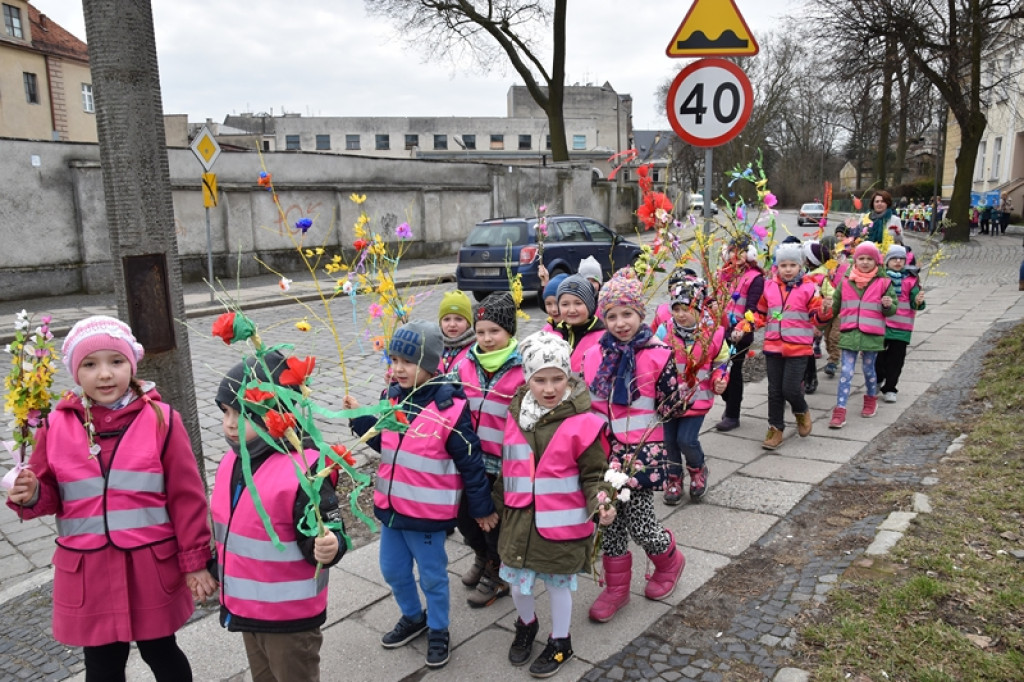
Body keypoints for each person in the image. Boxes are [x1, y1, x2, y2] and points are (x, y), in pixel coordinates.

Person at [6, 315, 215, 681]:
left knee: (161, 652)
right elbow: (50, 493)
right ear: (76, 372)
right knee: (101, 665)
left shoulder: (161, 420)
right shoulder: (55, 426)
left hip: (148, 566)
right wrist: (32, 493)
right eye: (90, 364)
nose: (105, 374)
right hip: (90, 571)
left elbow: (187, 498)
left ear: (131, 365)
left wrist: (195, 560)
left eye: (115, 362)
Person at [344, 320, 497, 669]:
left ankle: (439, 628)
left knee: (432, 577)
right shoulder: (393, 396)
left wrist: (481, 508)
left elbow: (471, 462)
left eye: (407, 362)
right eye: (393, 359)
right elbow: (386, 442)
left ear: (430, 364)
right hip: (391, 509)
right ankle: (413, 617)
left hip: (426, 516)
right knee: (393, 571)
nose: (397, 368)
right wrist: (359, 420)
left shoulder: (451, 410)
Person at [212, 350, 346, 682]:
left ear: (274, 415)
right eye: (226, 412)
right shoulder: (234, 460)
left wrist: (332, 545)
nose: (229, 424)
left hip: (288, 620)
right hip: (247, 608)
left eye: (242, 414)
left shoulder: (305, 471)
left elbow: (330, 530)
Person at [495, 331, 615, 677]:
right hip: (519, 521)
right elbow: (509, 467)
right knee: (518, 583)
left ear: (569, 377)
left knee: (558, 585)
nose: (549, 388)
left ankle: (561, 640)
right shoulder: (515, 415)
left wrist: (602, 503)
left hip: (560, 525)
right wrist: (494, 506)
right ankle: (527, 623)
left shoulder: (583, 423)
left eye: (557, 379)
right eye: (540, 380)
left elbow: (595, 474)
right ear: (527, 379)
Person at [583, 268, 686, 623]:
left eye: (627, 313)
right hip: (606, 454)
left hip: (642, 454)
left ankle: (669, 559)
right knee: (608, 520)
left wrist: (682, 391)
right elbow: (589, 403)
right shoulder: (596, 354)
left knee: (641, 524)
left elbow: (672, 406)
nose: (620, 322)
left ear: (640, 314)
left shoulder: (657, 353)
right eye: (611, 315)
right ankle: (616, 589)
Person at [454, 292, 524, 606]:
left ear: (509, 331)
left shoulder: (522, 367)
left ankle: (497, 573)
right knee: (465, 517)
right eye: (480, 331)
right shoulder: (465, 363)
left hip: (504, 462)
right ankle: (481, 556)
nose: (486, 338)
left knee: (495, 521)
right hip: (470, 458)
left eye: (494, 331)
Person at [654, 276, 728, 503]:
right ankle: (674, 478)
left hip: (696, 398)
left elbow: (721, 362)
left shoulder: (713, 334)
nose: (680, 314)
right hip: (668, 399)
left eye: (686, 308)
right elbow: (651, 357)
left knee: (686, 439)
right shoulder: (664, 332)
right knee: (669, 442)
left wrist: (719, 379)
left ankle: (697, 469)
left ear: (698, 308)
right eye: (675, 308)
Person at [755, 243, 828, 449]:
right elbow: (764, 311)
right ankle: (775, 428)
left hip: (798, 348)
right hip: (773, 346)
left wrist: (824, 311)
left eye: (792, 265)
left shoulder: (809, 288)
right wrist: (752, 322)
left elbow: (816, 315)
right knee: (774, 391)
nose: (787, 269)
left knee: (791, 389)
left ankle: (801, 410)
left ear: (801, 265)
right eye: (783, 265)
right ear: (776, 266)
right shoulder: (769, 286)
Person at [828, 242, 897, 428]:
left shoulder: (884, 283)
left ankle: (871, 398)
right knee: (846, 372)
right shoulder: (845, 282)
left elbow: (891, 310)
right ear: (855, 260)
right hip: (849, 333)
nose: (865, 262)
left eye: (869, 259)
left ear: (876, 262)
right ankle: (840, 410)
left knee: (868, 370)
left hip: (871, 336)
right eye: (861, 258)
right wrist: (821, 317)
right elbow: (834, 307)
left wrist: (888, 305)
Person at [714, 236, 765, 431]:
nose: (737, 255)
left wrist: (742, 328)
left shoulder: (755, 278)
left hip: (740, 334)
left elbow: (753, 309)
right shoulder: (724, 274)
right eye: (733, 250)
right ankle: (732, 400)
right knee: (717, 371)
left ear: (749, 253)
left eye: (742, 250)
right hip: (720, 331)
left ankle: (733, 414)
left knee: (733, 372)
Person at [875, 245, 925, 403]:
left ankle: (890, 387)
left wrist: (918, 301)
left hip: (902, 328)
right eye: (894, 259)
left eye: (901, 259)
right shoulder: (881, 278)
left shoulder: (911, 279)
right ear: (887, 261)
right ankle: (876, 380)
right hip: (882, 325)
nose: (898, 262)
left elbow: (917, 304)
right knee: (878, 358)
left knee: (896, 361)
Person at [551, 274, 606, 373]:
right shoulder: (553, 336)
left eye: (578, 303)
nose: (572, 310)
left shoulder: (603, 338)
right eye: (565, 304)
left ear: (590, 305)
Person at [437, 290, 476, 374]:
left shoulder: (475, 349)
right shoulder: (435, 346)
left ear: (468, 323)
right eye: (446, 319)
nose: (452, 324)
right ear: (440, 323)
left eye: (459, 319)